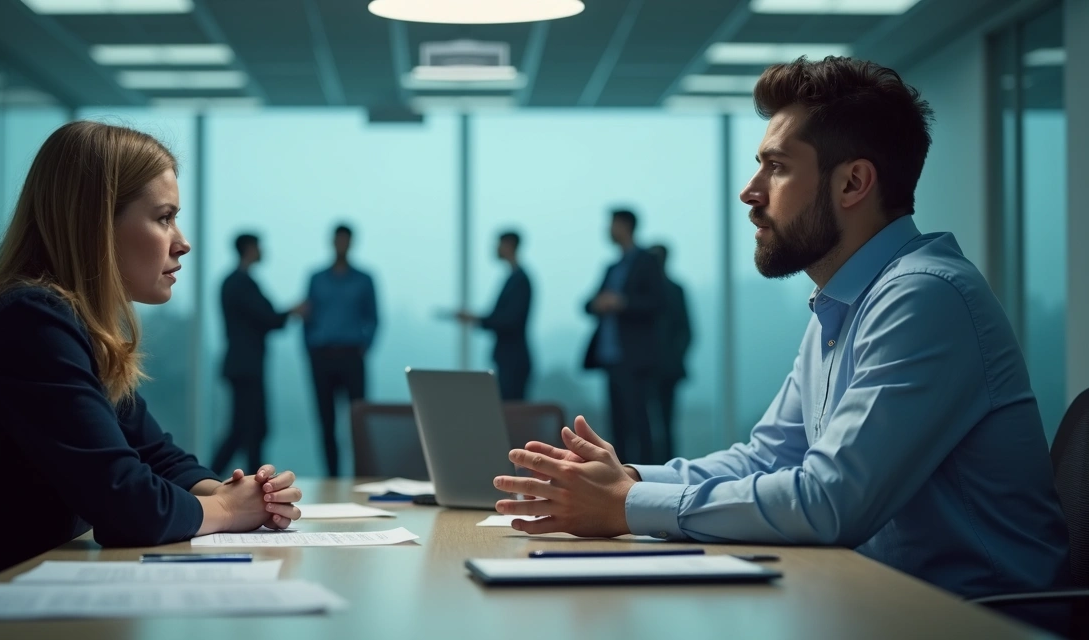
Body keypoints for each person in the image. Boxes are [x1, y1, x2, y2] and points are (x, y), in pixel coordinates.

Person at [493, 57, 1070, 600]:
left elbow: (828, 501)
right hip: (868, 601)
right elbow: (766, 460)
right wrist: (624, 478)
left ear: (852, 184)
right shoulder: (845, 302)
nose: (750, 191)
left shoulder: (924, 297)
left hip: (970, 619)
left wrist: (628, 504)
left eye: (777, 166)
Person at [0, 121, 303, 595]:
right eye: (163, 218)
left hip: (4, 595)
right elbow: (127, 504)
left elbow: (154, 453)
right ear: (97, 222)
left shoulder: (74, 328)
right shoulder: (28, 321)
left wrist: (226, 492)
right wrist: (227, 511)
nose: (182, 241)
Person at [211, 234, 302, 476]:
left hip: (242, 366)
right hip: (246, 367)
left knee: (246, 428)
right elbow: (267, 316)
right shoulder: (241, 283)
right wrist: (291, 312)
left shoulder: (232, 282)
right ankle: (221, 478)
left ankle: (223, 477)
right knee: (250, 429)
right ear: (250, 249)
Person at [582, 209, 664, 463]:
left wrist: (622, 303)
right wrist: (599, 304)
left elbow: (658, 303)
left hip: (636, 358)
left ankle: (646, 482)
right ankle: (619, 481)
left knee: (639, 422)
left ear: (625, 226)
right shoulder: (612, 267)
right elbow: (587, 304)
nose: (608, 229)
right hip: (611, 357)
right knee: (617, 425)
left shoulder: (646, 261)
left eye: (612, 224)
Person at [302, 224, 378, 476]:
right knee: (326, 422)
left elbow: (374, 318)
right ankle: (331, 476)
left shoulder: (364, 279)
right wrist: (310, 351)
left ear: (351, 243)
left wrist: (365, 347)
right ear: (332, 242)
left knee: (358, 421)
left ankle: (361, 475)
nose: (342, 245)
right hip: (322, 356)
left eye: (346, 241)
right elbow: (308, 318)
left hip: (351, 355)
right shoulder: (316, 278)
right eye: (338, 240)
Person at [456, 231, 533, 401]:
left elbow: (511, 320)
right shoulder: (514, 278)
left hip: (514, 359)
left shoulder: (520, 280)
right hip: (509, 358)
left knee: (512, 412)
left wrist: (477, 319)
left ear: (509, 246)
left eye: (499, 244)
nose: (496, 249)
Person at [647, 244, 692, 460]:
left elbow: (686, 331)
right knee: (651, 424)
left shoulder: (675, 290)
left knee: (664, 423)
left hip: (666, 370)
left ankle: (664, 466)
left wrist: (672, 358)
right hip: (652, 368)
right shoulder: (673, 289)